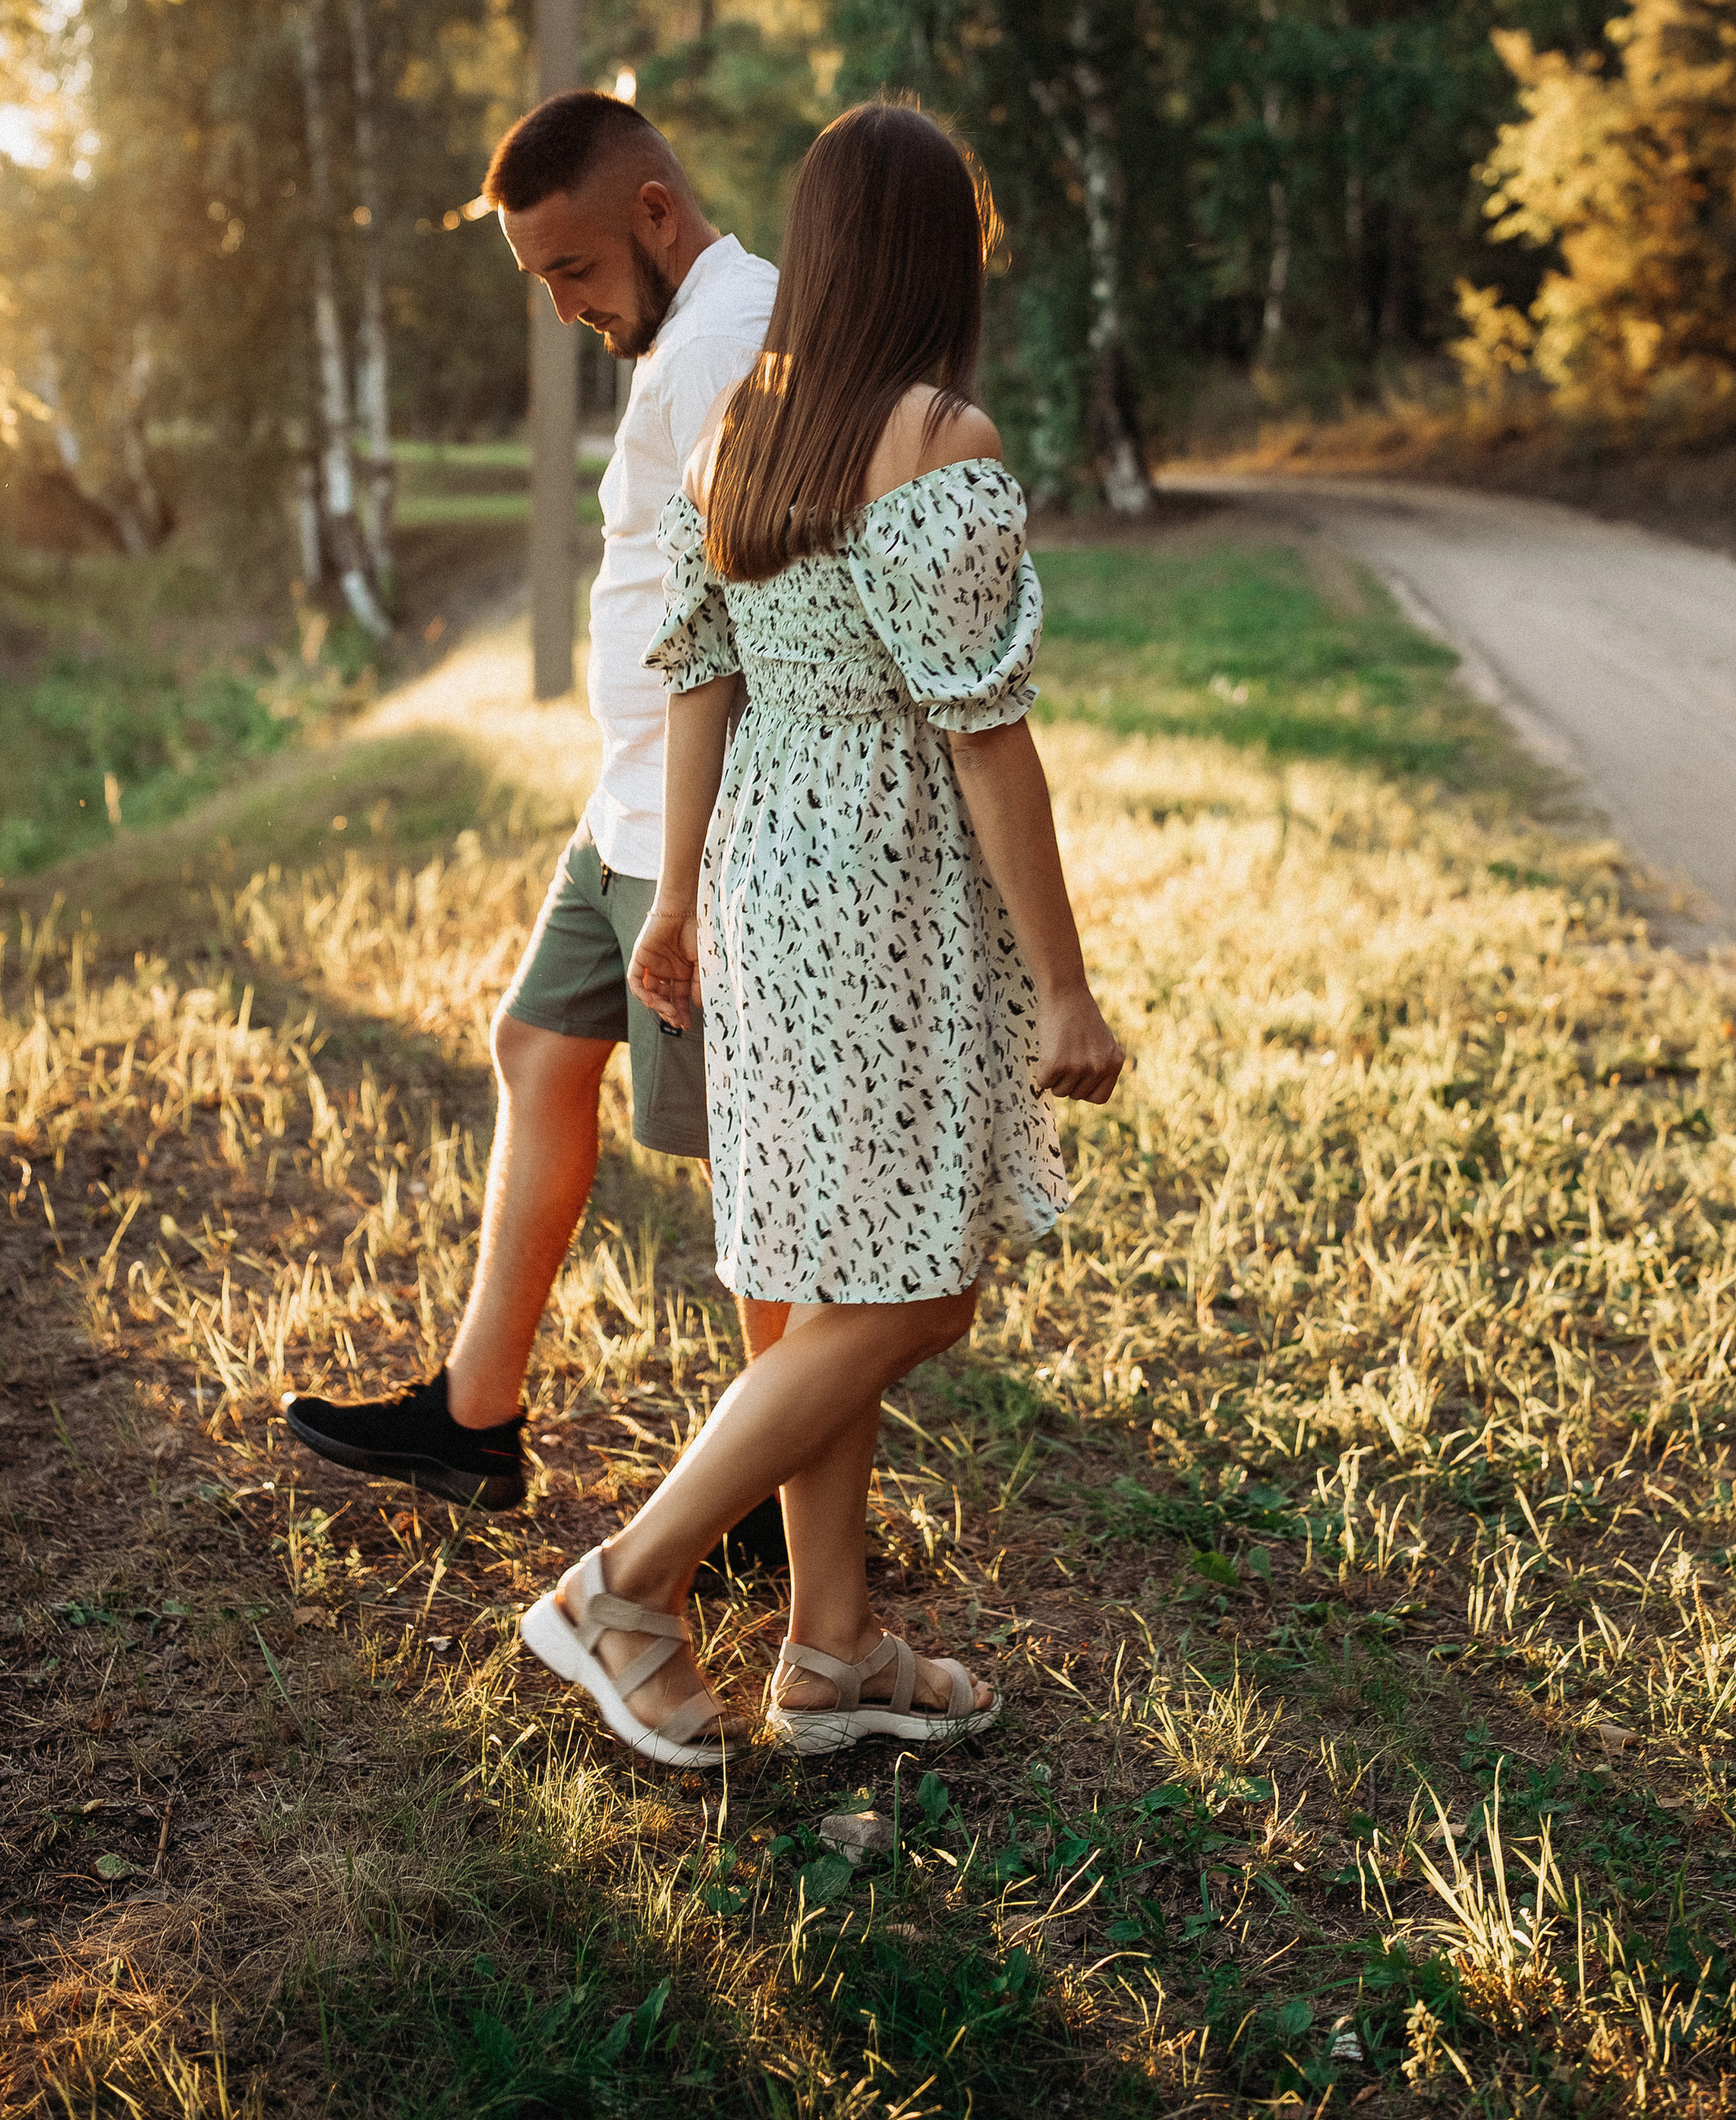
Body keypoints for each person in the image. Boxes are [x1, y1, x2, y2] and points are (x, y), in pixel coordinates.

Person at [519, 101, 1124, 1766]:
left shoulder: (747, 429)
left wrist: (691, 894)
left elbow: (695, 673)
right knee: (918, 1284)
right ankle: (626, 1587)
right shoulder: (935, 433)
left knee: (810, 1270)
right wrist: (1063, 987)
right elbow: (985, 733)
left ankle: (828, 1646)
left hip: (769, 881)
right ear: (943, 249)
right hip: (876, 882)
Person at [283, 91, 786, 1561]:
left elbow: (754, 616)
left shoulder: (726, 342)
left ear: (650, 210)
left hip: (695, 821)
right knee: (535, 1044)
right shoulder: (687, 329)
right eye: (540, 282)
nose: (563, 306)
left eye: (569, 270)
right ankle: (474, 1417)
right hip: (621, 804)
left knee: (745, 1163)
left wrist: (690, 876)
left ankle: (773, 1478)